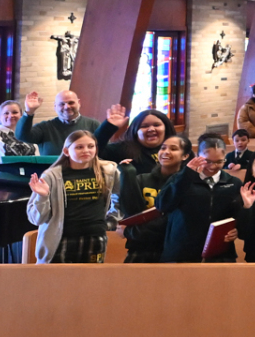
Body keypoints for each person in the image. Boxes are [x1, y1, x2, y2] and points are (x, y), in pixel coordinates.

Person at [26, 130, 121, 263]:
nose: (86, 150)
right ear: (66, 151)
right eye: (79, 147)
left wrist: (112, 221)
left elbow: (121, 198)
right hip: (61, 240)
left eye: (91, 146)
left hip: (95, 237)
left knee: (91, 276)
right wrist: (42, 197)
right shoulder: (51, 175)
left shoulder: (108, 171)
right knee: (59, 277)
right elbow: (37, 219)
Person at [156, 134, 243, 263]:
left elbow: (238, 215)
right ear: (197, 157)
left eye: (219, 161)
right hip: (181, 252)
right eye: (207, 161)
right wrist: (186, 176)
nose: (212, 166)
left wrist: (237, 229)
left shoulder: (233, 183)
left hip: (219, 253)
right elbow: (162, 205)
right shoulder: (180, 178)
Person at [118, 134, 189, 262]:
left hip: (170, 250)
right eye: (163, 148)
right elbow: (131, 213)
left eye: (173, 149)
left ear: (185, 156)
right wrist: (127, 175)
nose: (166, 152)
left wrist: (130, 232)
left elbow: (168, 222)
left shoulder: (186, 185)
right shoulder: (142, 179)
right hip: (139, 248)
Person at [92, 105, 176, 174]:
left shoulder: (178, 148)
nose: (151, 129)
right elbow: (93, 151)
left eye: (156, 125)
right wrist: (108, 127)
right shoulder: (122, 149)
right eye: (144, 126)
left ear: (166, 128)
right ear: (135, 131)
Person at [16, 90, 101, 155]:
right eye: (62, 104)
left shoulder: (93, 125)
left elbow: (103, 151)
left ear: (79, 103)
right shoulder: (44, 128)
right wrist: (29, 111)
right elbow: (22, 136)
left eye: (71, 103)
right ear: (55, 106)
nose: (67, 107)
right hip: (51, 172)